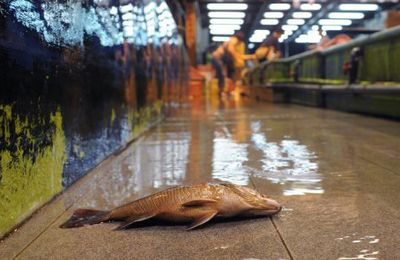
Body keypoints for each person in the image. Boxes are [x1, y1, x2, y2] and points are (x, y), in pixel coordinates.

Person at [211, 32, 254, 96]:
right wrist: (237, 58)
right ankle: (222, 91)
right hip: (218, 59)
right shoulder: (233, 40)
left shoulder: (232, 41)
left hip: (220, 59)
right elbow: (231, 50)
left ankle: (224, 91)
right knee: (222, 75)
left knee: (225, 75)